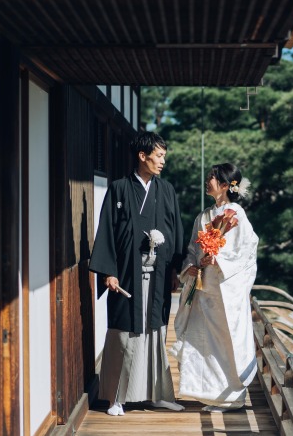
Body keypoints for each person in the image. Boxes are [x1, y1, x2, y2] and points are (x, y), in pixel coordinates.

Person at [89, 132, 185, 416]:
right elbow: (107, 229)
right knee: (124, 332)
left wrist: (174, 268)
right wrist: (109, 271)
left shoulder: (165, 189)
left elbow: (175, 229)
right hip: (126, 272)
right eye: (159, 156)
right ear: (142, 156)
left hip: (157, 273)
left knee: (155, 331)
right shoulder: (119, 188)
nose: (163, 162)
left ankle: (157, 393)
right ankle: (115, 397)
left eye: (164, 156)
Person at [170, 163, 259, 411]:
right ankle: (209, 394)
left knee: (224, 342)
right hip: (203, 287)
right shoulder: (204, 215)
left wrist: (217, 259)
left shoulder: (236, 214)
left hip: (224, 290)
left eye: (212, 177)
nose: (207, 180)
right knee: (202, 342)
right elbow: (191, 249)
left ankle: (231, 396)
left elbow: (247, 252)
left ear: (223, 185)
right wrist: (193, 264)